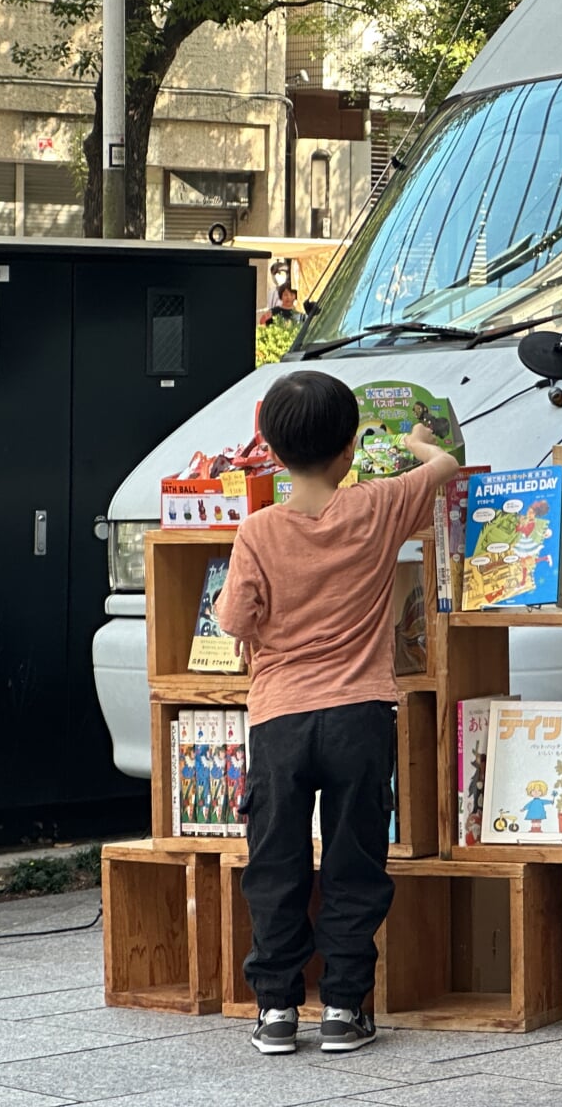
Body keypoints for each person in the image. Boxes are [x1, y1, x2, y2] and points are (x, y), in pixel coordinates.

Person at [218, 371, 459, 1055]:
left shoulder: (259, 530)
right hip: (360, 713)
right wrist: (414, 441)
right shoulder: (378, 506)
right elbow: (444, 465)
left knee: (276, 863)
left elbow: (236, 620)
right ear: (352, 446)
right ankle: (346, 1008)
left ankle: (275, 1009)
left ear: (271, 448)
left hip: (280, 720)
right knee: (356, 861)